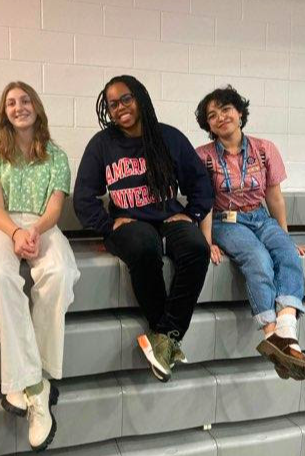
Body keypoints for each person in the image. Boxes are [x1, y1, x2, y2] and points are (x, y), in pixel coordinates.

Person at [74, 75, 213, 382]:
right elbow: (84, 197)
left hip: (168, 217)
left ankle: (164, 335)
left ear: (140, 98)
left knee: (196, 248)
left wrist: (192, 213)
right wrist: (108, 223)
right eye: (113, 104)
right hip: (128, 223)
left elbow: (201, 182)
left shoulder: (169, 138)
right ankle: (165, 336)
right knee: (143, 246)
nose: (120, 107)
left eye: (126, 99)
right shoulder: (102, 145)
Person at [0, 81, 80, 451]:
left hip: (41, 224)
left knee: (60, 272)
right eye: (11, 103)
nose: (19, 107)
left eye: (26, 100)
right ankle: (36, 386)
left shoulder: (57, 155)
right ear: (4, 111)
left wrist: (32, 230)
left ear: (37, 106)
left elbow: (54, 209)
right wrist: (15, 233)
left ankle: (33, 377)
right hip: (2, 225)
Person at [195, 85, 305, 381]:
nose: (220, 118)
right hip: (225, 221)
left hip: (260, 216)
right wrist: (207, 242)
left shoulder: (265, 150)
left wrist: (284, 236)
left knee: (289, 256)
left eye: (226, 109)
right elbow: (203, 203)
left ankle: (286, 333)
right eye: (212, 116)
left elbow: (275, 197)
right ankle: (271, 335)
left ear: (240, 113)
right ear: (208, 126)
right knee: (258, 259)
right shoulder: (202, 156)